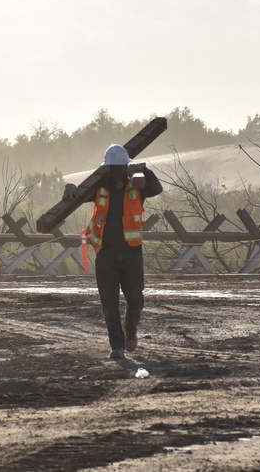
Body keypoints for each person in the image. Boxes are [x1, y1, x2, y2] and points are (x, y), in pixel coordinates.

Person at [64, 144, 163, 359]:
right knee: (109, 303)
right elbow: (78, 195)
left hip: (131, 253)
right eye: (112, 167)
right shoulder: (99, 187)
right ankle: (117, 346)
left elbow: (157, 189)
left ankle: (130, 328)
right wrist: (69, 187)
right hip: (106, 255)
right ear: (107, 169)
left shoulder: (137, 186)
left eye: (120, 167)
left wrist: (144, 170)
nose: (116, 171)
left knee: (136, 298)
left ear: (126, 168)